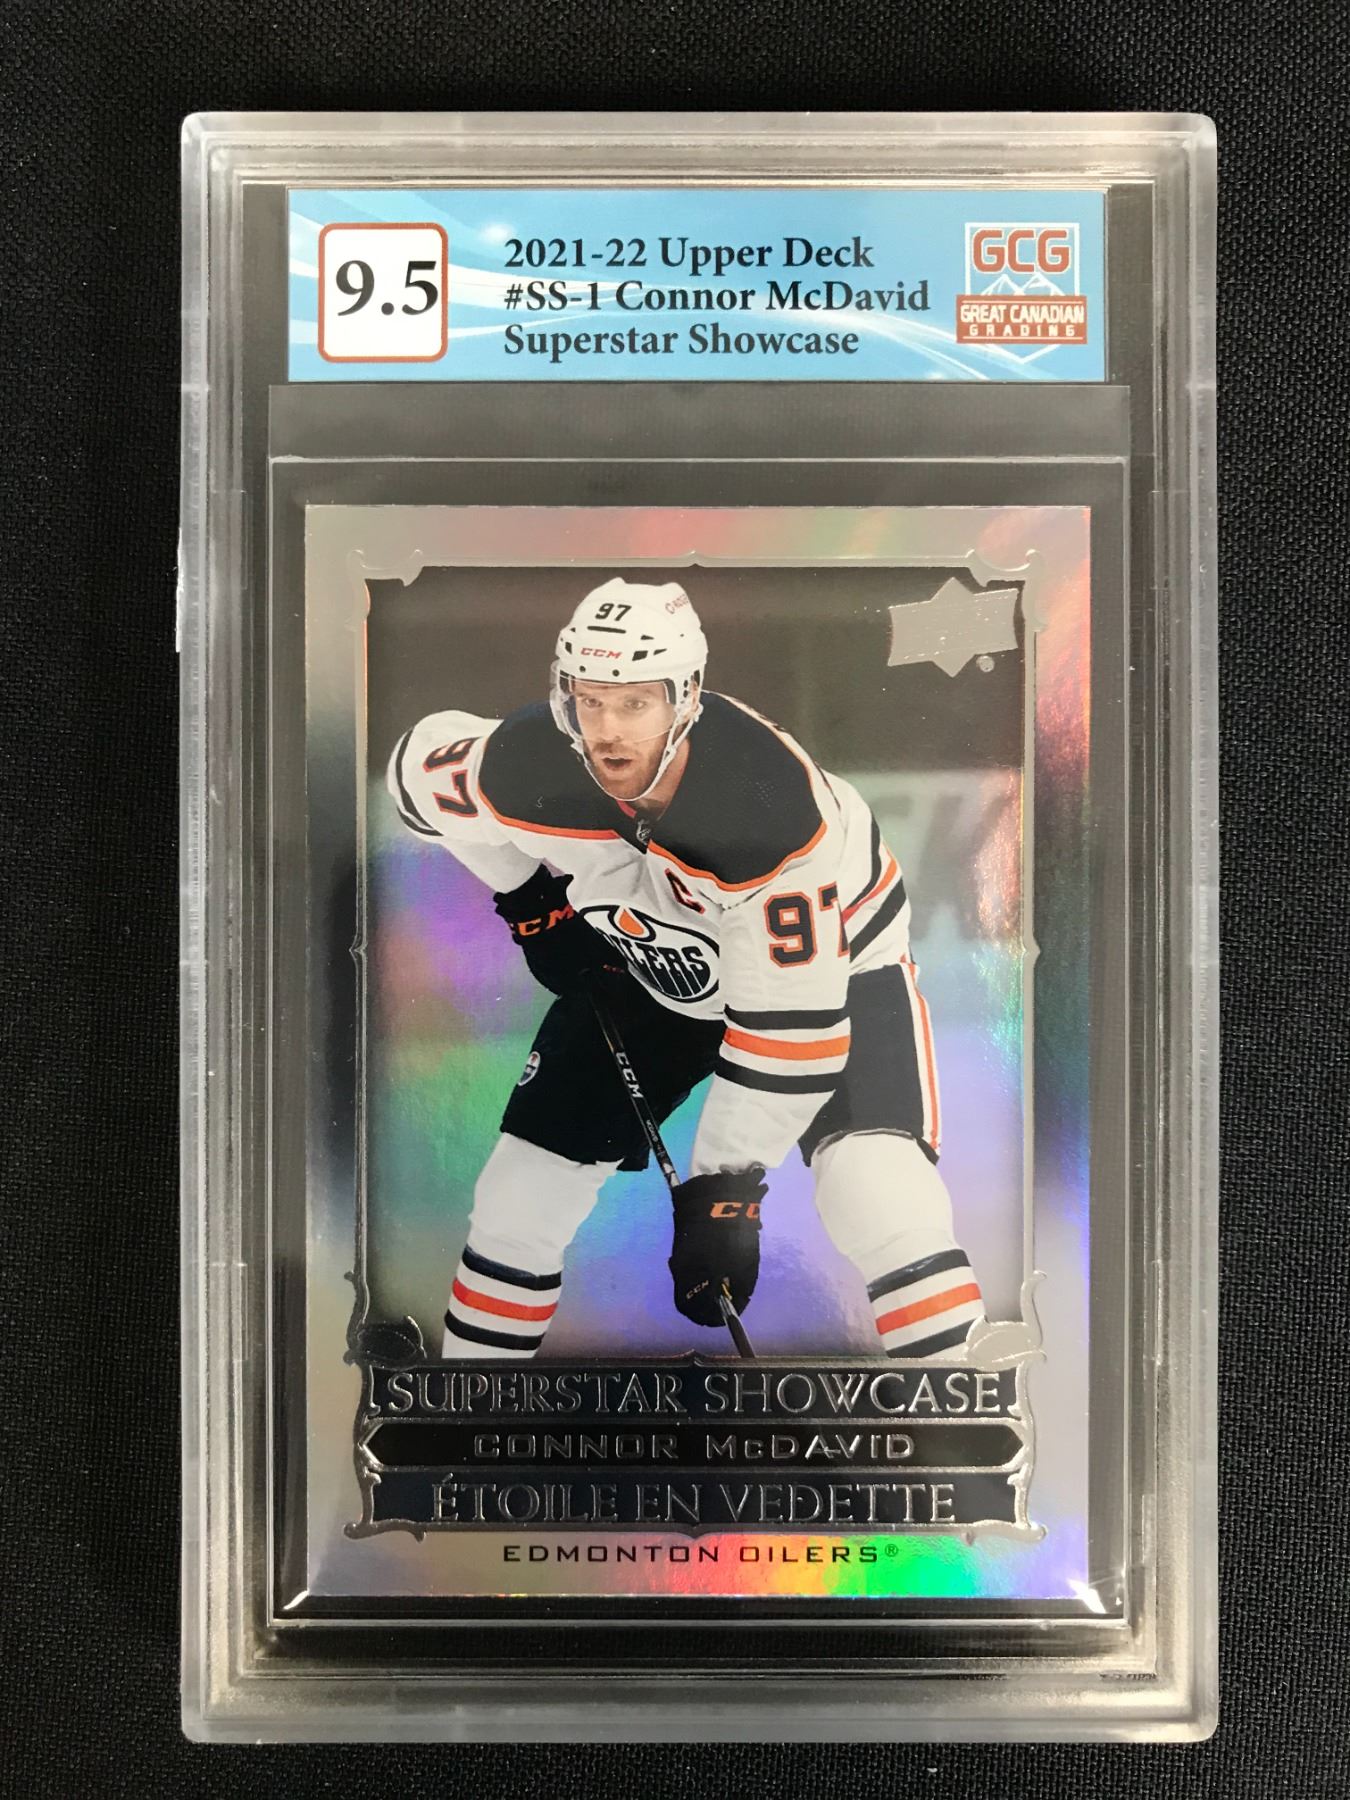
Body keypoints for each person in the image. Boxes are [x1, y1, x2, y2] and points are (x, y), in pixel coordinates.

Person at [387, 577, 984, 1361]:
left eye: (635, 703)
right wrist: (528, 896)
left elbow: (791, 1040)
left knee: (874, 1188)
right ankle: (468, 1414)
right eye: (590, 701)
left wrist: (723, 1194)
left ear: (687, 697)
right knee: (517, 1200)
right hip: (653, 970)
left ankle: (959, 1403)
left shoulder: (767, 810)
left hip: (836, 973)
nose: (607, 732)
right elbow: (415, 777)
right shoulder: (528, 759)